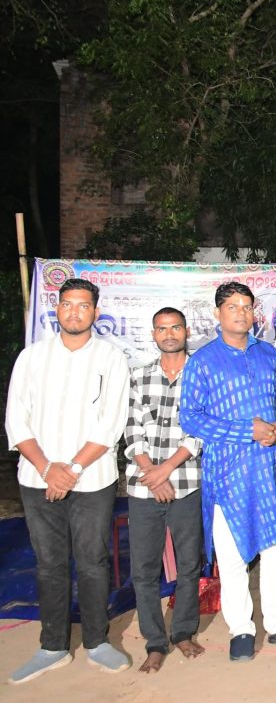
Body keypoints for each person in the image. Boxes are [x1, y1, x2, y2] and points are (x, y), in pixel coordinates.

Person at [180, 282, 276, 662]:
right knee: (232, 554)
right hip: (227, 474)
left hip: (268, 469)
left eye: (247, 306)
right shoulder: (203, 361)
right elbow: (190, 418)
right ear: (218, 313)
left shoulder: (268, 354)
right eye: (233, 306)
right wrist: (247, 431)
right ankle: (241, 629)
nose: (241, 313)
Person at [6, 278, 132, 683]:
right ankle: (52, 646)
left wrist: (72, 470)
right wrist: (48, 469)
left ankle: (97, 641)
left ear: (96, 312)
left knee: (93, 561)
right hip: (37, 478)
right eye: (67, 304)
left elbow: (111, 424)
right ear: (56, 309)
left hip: (92, 479)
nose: (74, 312)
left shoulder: (111, 358)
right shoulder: (32, 357)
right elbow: (16, 419)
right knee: (49, 563)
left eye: (83, 305)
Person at [124, 307, 206, 673]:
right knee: (143, 569)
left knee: (189, 564)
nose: (169, 334)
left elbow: (200, 431)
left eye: (175, 327)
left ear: (186, 331)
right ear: (153, 334)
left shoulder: (202, 374)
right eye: (162, 328)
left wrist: (167, 469)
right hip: (144, 486)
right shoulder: (138, 376)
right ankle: (155, 642)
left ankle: (183, 632)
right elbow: (131, 430)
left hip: (186, 483)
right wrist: (152, 473)